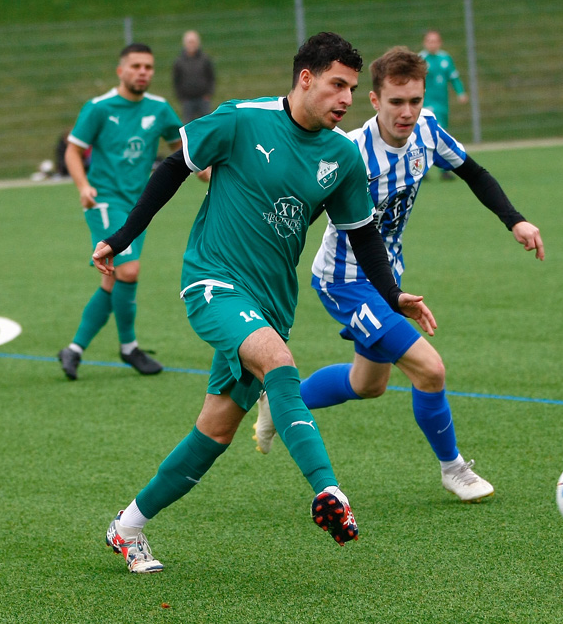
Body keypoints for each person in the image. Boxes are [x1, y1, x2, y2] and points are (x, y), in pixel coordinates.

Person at [93, 32, 436, 573]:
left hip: (273, 304)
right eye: (337, 85)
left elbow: (363, 234)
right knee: (279, 362)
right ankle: (328, 491)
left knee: (216, 430)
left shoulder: (342, 155)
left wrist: (392, 295)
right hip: (213, 283)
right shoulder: (240, 120)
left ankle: (128, 526)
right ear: (306, 78)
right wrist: (121, 235)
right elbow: (171, 169)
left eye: (350, 87)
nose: (347, 99)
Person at [252, 47, 544, 502]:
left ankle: (280, 401)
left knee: (366, 385)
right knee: (430, 369)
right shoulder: (349, 150)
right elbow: (301, 206)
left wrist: (516, 220)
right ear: (374, 100)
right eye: (396, 102)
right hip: (344, 281)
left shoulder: (428, 132)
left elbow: (474, 172)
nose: (407, 112)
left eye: (415, 100)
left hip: (387, 281)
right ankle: (454, 469)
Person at [58, 43, 184, 381]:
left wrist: (204, 170)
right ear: (121, 71)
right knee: (128, 271)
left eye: (149, 67)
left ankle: (74, 350)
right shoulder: (98, 108)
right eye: (136, 66)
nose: (143, 72)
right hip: (104, 202)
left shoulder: (159, 109)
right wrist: (83, 186)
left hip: (138, 207)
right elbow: (73, 151)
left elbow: (181, 147)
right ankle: (129, 347)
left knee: (113, 281)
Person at [419, 30, 468, 179]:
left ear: (439, 43)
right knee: (430, 134)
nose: (432, 44)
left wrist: (461, 92)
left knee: (439, 134)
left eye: (435, 41)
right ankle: (426, 170)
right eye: (429, 41)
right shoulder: (420, 59)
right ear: (425, 43)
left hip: (442, 104)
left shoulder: (445, 58)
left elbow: (454, 78)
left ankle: (439, 170)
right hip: (426, 103)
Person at [172, 30, 216, 123]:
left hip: (203, 98)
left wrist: (209, 93)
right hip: (187, 100)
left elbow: (211, 77)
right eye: (189, 42)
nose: (191, 44)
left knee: (207, 123)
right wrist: (181, 97)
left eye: (193, 42)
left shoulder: (205, 59)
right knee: (188, 125)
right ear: (184, 43)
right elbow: (176, 80)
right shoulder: (179, 62)